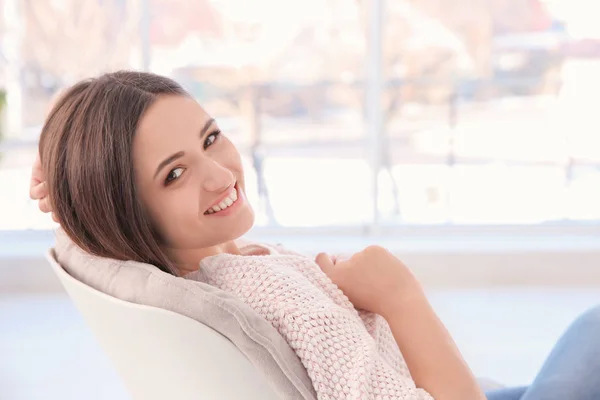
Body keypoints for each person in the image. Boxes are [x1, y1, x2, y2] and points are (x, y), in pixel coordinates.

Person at [29, 71, 599, 400]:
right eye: (173, 174)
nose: (221, 174)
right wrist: (399, 296)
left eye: (210, 138)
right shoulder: (287, 304)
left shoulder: (186, 261)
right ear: (121, 208)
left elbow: (88, 203)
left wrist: (56, 155)